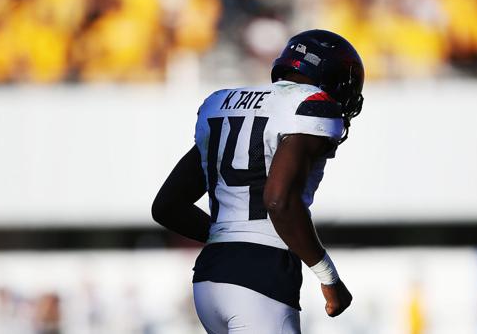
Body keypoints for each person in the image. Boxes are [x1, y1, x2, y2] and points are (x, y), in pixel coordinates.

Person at [152, 29, 364, 333]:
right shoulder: (311, 104)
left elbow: (167, 206)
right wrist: (329, 278)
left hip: (209, 276)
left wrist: (227, 238)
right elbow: (279, 202)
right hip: (262, 277)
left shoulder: (223, 103)